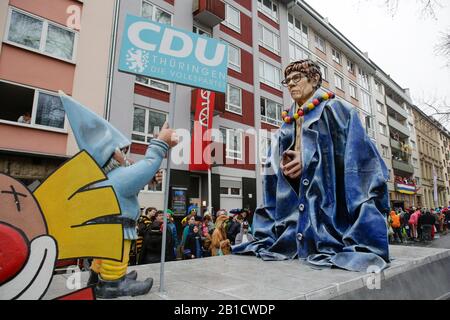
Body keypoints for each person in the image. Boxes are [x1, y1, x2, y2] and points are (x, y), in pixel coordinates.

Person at [233, 59, 390, 272]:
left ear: (314, 79)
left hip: (328, 220)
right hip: (294, 222)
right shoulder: (287, 123)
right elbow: (271, 175)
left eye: (296, 78)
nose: (290, 84)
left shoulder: (337, 110)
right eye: (287, 80)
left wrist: (309, 161)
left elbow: (360, 161)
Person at [59, 92, 179, 298]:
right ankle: (113, 284)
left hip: (110, 223)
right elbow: (147, 165)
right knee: (117, 252)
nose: (124, 154)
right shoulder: (117, 175)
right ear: (108, 154)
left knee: (103, 254)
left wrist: (148, 180)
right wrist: (161, 143)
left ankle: (96, 279)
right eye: (120, 151)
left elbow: (131, 185)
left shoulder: (109, 177)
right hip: (118, 226)